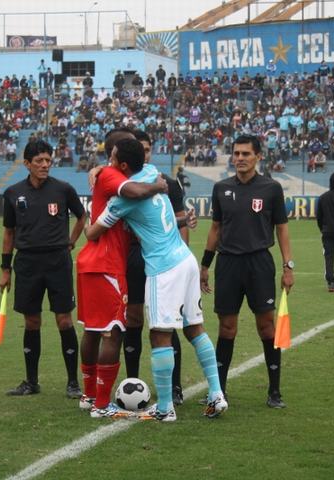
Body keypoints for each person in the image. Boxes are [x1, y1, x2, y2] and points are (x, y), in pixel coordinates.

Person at [87, 138, 227, 422]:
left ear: (122, 165)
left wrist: (100, 207)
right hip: (185, 259)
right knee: (194, 328)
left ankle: (164, 408)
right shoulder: (152, 173)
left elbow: (92, 233)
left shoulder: (122, 200)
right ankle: (216, 394)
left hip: (163, 268)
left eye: (112, 158)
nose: (108, 162)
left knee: (159, 334)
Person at [200, 135, 295, 409]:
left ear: (258, 157)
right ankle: (219, 391)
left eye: (245, 154)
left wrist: (288, 266)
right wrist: (205, 265)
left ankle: (274, 391)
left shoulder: (271, 188)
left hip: (259, 264)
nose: (240, 158)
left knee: (266, 326)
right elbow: (215, 228)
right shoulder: (221, 188)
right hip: (228, 264)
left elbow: (282, 229)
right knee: (226, 327)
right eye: (236, 153)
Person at [77, 130, 167, 418]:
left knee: (92, 330)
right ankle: (102, 404)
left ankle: (89, 395)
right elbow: (136, 192)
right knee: (113, 331)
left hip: (91, 262)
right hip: (107, 264)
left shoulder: (105, 173)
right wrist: (158, 186)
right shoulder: (112, 176)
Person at [0, 139, 87, 398]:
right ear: (27, 163)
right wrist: (5, 269)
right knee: (32, 321)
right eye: (39, 161)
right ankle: (31, 382)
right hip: (27, 263)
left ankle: (73, 383)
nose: (45, 165)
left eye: (48, 160)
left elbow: (82, 216)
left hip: (58, 262)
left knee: (64, 320)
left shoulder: (63, 189)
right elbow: (9, 232)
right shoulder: (13, 193)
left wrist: (71, 241)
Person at [122, 131, 190, 406]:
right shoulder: (122, 185)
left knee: (166, 321)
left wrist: (180, 257)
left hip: (163, 259)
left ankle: (174, 387)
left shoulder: (168, 183)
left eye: (147, 149)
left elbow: (182, 223)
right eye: (140, 149)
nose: (144, 154)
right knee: (133, 319)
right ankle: (132, 382)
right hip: (132, 257)